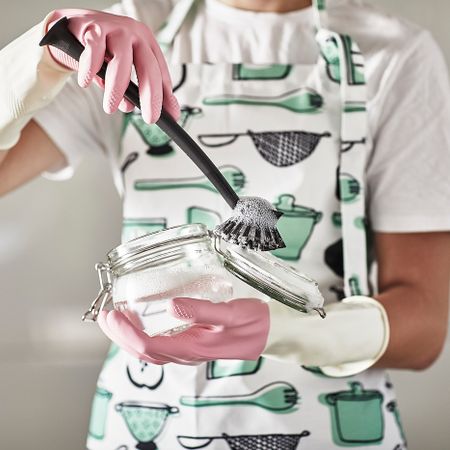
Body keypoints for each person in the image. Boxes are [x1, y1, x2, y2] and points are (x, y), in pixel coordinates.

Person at [1, 0, 449, 448]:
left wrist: (290, 330)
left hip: (330, 426)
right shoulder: (122, 39)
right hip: (151, 416)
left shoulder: (394, 54)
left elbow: (424, 328)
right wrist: (38, 58)